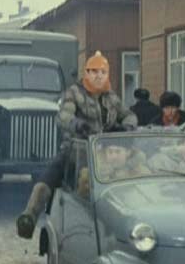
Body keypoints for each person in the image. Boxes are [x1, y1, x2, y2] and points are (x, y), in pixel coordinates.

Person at [16, 51, 138, 239]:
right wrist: (77, 124)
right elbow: (63, 116)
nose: (99, 76)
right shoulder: (74, 92)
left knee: (136, 168)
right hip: (77, 149)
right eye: (94, 71)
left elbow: (129, 114)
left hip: (105, 152)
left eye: (103, 72)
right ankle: (29, 216)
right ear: (86, 73)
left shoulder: (111, 97)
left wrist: (127, 126)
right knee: (52, 172)